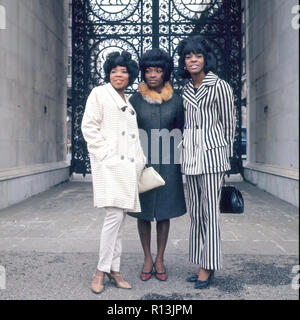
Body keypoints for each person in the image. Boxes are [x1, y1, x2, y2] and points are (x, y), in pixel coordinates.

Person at [81, 51, 146, 294]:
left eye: (124, 71)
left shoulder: (128, 103)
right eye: (114, 71)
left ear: (130, 75)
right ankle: (101, 270)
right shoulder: (99, 93)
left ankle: (113, 269)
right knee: (113, 218)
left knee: (119, 220)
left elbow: (134, 139)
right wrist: (106, 155)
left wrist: (140, 162)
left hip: (127, 169)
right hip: (110, 166)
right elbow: (89, 127)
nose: (119, 75)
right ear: (108, 73)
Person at [177, 35, 236, 289]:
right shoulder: (185, 89)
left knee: (210, 213)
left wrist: (225, 158)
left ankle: (207, 267)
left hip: (212, 158)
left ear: (205, 58)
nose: (193, 60)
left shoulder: (220, 86)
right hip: (190, 158)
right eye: (188, 56)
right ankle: (202, 260)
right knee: (196, 215)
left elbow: (229, 124)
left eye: (197, 55)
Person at [128, 48, 186, 282]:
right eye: (148, 70)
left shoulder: (177, 100)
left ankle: (160, 257)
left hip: (169, 162)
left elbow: (181, 129)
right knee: (143, 213)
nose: (152, 75)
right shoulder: (134, 99)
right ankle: (147, 257)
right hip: (142, 161)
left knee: (164, 213)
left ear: (165, 72)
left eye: (158, 70)